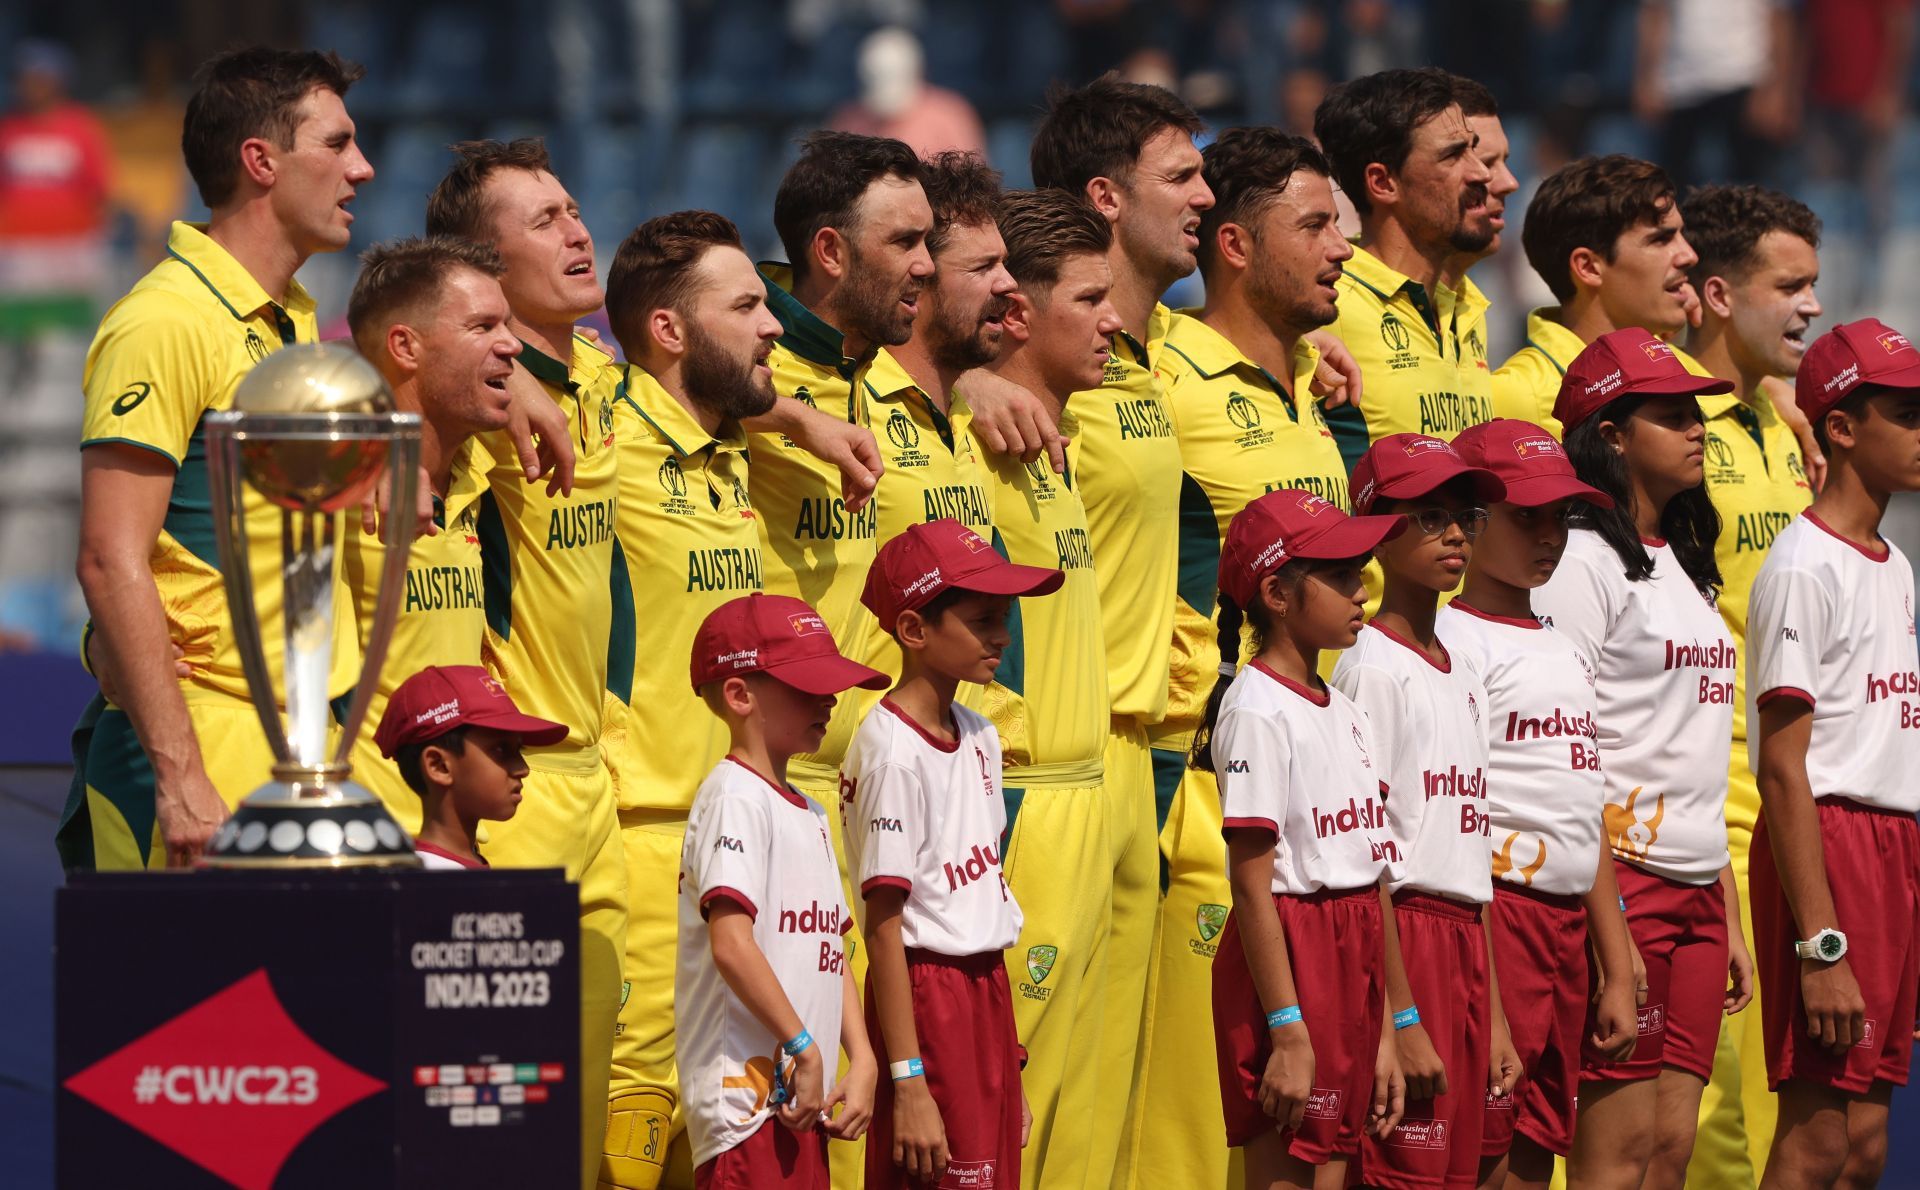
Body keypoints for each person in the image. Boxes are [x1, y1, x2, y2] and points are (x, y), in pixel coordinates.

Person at [66, 48, 374, 872]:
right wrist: (180, 775)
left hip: (300, 743)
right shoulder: (165, 319)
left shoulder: (290, 319)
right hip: (202, 745)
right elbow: (107, 557)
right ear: (261, 161)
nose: (364, 168)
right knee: (184, 1006)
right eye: (337, 144)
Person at [1126, 124, 1354, 1190]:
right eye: (1311, 225)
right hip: (1213, 804)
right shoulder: (1160, 374)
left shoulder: (1319, 385)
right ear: (1232, 243)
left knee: (1323, 1133)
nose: (1341, 245)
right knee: (1204, 1135)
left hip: (1339, 807)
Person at [423, 138, 632, 1190]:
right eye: (543, 220)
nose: (579, 229)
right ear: (484, 273)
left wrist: (792, 409)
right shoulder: (476, 395)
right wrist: (507, 396)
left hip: (606, 783)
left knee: (595, 1133)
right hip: (516, 785)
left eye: (574, 206)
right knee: (500, 1129)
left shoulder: (601, 375)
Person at [1023, 75, 1211, 1188]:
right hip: (1058, 773)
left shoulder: (1151, 362)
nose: (1204, 193)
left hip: (1153, 761)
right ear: (1105, 194)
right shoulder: (1030, 378)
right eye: (1181, 175)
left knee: (1116, 1121)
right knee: (1036, 1106)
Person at [1533, 329, 1755, 1189]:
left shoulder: (1685, 565)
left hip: (1698, 885)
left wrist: (1725, 908)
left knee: (1670, 1153)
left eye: (1696, 412)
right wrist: (1609, 935)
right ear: (1611, 435)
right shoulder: (1579, 563)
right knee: (1613, 1160)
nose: (1697, 428)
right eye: (1670, 414)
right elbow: (1568, 752)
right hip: (1622, 882)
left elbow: (1694, 752)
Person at [1438, 419, 1640, 1190]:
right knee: (1480, 1157)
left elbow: (1579, 806)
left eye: (1561, 515)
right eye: (1528, 517)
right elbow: (1456, 823)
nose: (1550, 534)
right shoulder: (1452, 641)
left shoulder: (1559, 641)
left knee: (1533, 1161)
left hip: (1564, 931)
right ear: (1470, 521)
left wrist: (1615, 959)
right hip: (1498, 918)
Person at [1747, 319, 1920, 1190]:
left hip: (1893, 850)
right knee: (1815, 1142)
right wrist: (1822, 945)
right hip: (1833, 848)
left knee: (1865, 1151)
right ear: (1843, 428)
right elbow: (1782, 767)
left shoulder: (1894, 563)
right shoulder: (1802, 564)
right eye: (1908, 412)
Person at [971, 186, 1120, 1190]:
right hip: (1022, 808)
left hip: (1092, 796)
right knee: (1001, 1115)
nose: (1115, 319)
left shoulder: (1057, 445)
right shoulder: (974, 444)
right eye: (1090, 297)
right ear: (1020, 312)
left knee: (1077, 1124)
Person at [1676, 184, 1824, 1186]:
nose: (1812, 307)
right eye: (1792, 286)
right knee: (1709, 1126)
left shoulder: (1784, 426)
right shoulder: (1669, 433)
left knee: (1786, 1126)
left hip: (1792, 796)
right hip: (1705, 802)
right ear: (1720, 294)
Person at [1200, 488, 1409, 1190]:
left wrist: (1382, 1029)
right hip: (1296, 952)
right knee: (1285, 1173)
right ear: (1276, 592)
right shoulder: (1257, 711)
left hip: (1352, 955)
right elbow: (1252, 889)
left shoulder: (1345, 710)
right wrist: (1288, 1029)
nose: (1362, 589)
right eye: (1342, 575)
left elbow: (1367, 870)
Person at [845, 518, 1059, 1188]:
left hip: (985, 992)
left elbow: (981, 899)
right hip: (926, 997)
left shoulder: (980, 733)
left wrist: (1006, 1062)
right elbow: (884, 926)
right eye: (982, 619)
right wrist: (908, 1081)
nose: (1003, 635)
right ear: (913, 630)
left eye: (1005, 617)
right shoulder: (890, 752)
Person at [1335, 434, 1518, 1188]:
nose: (1455, 535)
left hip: (1469, 942)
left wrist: (1496, 1012)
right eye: (1431, 516)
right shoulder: (1370, 669)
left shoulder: (1464, 668)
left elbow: (1470, 858)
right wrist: (1399, 1017)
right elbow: (1368, 858)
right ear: (1378, 528)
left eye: (1467, 518)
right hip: (1406, 940)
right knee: (1400, 1173)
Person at [676, 592, 885, 1188]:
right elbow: (731, 944)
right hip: (746, 1110)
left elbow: (830, 947)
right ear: (740, 695)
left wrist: (862, 1055)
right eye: (806, 685)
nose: (830, 698)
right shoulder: (732, 796)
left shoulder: (811, 812)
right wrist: (805, 1045)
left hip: (796, 1100)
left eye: (830, 684)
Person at [340, 236, 521, 834]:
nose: (510, 344)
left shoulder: (483, 474)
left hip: (458, 833)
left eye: (508, 323)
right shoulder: (331, 479)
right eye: (483, 325)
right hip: (364, 835)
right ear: (405, 346)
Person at [1313, 67, 1497, 467]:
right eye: (1452, 154)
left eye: (1473, 148)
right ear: (1383, 183)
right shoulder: (1327, 307)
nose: (1482, 172)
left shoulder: (1466, 307)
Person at [1493, 155, 1700, 439]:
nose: (1689, 255)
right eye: (1660, 239)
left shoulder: (1684, 369)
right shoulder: (1515, 395)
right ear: (1589, 267)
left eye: (1681, 235)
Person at [371, 664, 567, 870]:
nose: (523, 768)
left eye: (519, 750)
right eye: (501, 750)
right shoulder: (431, 885)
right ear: (439, 766)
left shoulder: (458, 872)